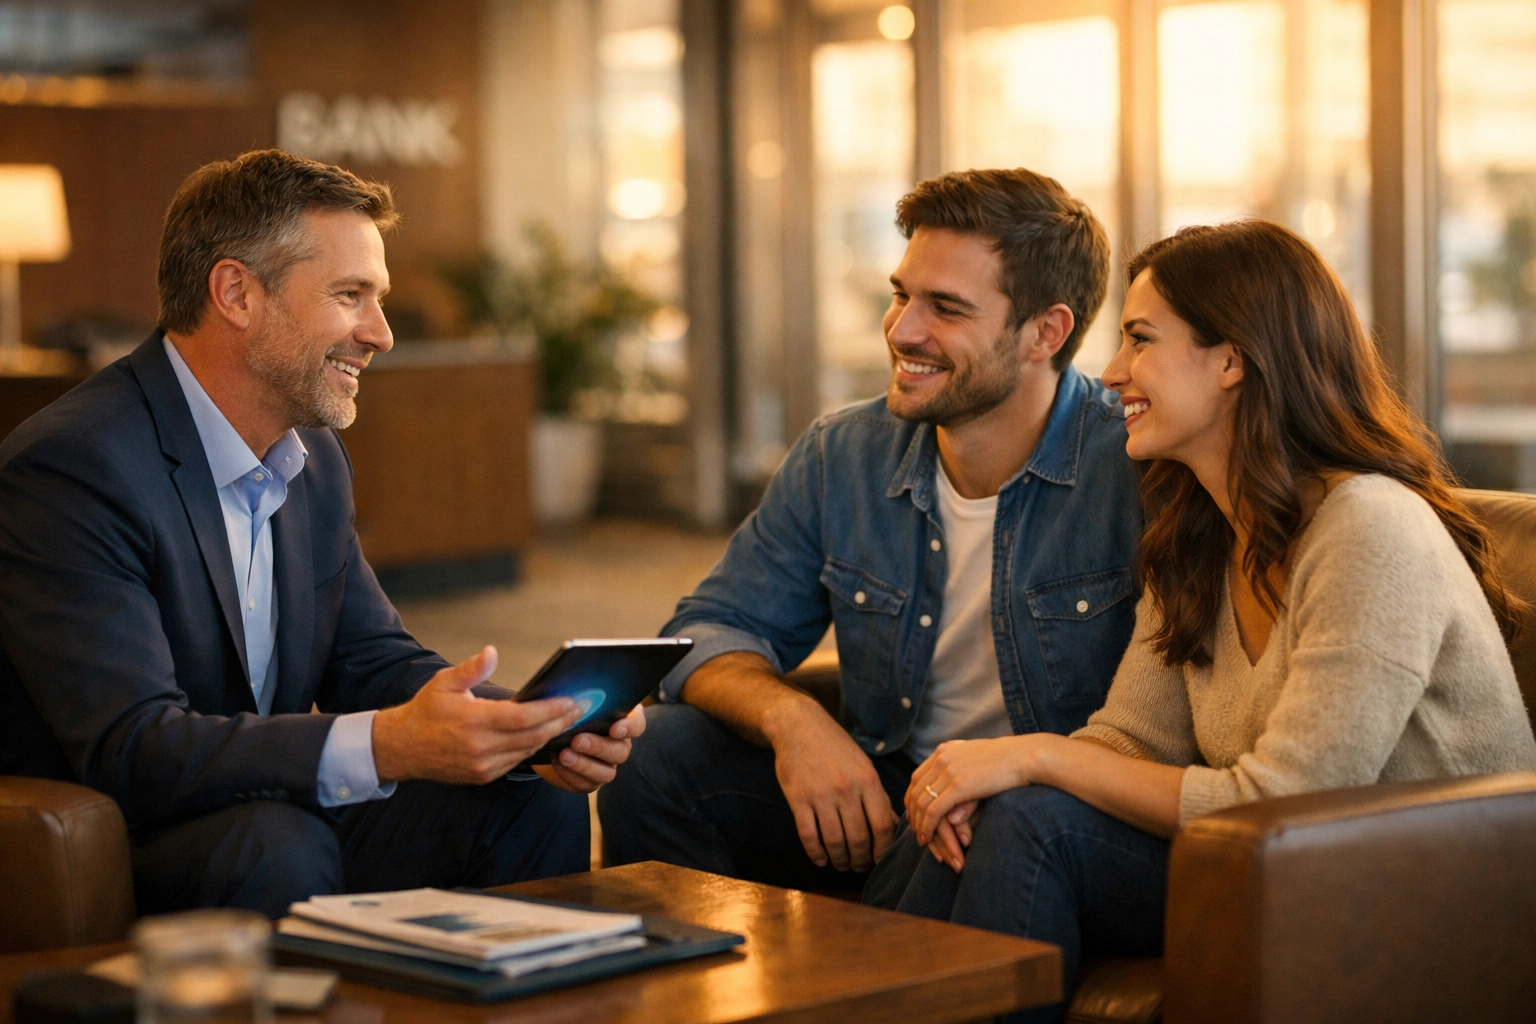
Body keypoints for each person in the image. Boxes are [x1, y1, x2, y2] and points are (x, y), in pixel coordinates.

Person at [864, 219, 1536, 1022]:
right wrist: (992, 776)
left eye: (1141, 339)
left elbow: (1286, 799)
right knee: (977, 815)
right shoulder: (1203, 532)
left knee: (1029, 815)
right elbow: (1130, 740)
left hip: (1415, 889)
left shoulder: (1369, 526)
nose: (1111, 373)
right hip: (1261, 866)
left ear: (1232, 359)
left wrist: (1033, 757)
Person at [0, 150, 645, 918]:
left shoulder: (313, 459)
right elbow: (133, 746)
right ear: (236, 292)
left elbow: (369, 659)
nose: (380, 333)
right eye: (351, 296)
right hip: (119, 831)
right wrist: (384, 745)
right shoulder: (74, 467)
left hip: (268, 805)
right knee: (275, 843)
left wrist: (525, 725)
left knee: (530, 801)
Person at [599, 168, 1144, 890]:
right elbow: (704, 632)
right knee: (655, 755)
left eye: (945, 307)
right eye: (900, 294)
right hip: (890, 788)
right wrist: (794, 723)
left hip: (1045, 813)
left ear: (1046, 331)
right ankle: (694, 992)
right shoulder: (844, 453)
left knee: (987, 838)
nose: (902, 329)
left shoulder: (1136, 467)